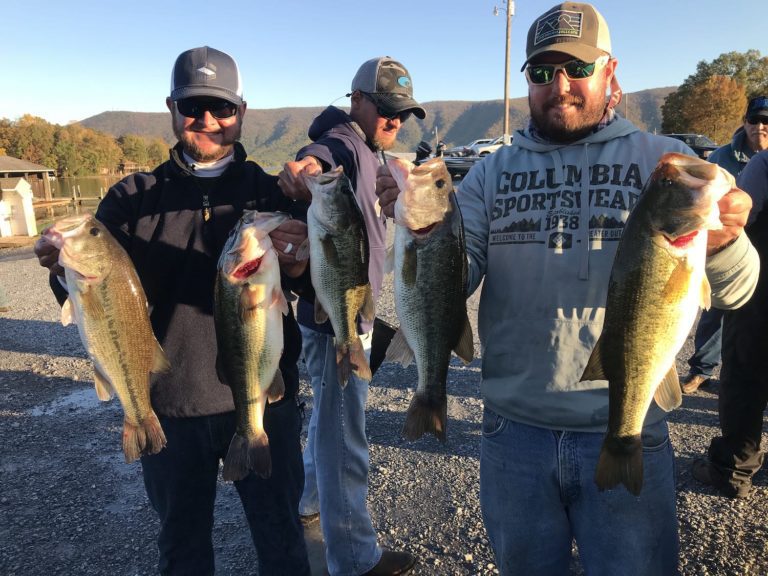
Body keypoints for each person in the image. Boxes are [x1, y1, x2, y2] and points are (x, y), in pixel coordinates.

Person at [377, 3, 758, 574]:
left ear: (610, 71)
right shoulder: (489, 173)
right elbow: (459, 276)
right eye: (541, 71)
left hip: (628, 420)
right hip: (513, 434)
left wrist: (724, 242)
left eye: (577, 68)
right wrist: (419, 230)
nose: (560, 86)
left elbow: (737, 293)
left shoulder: (667, 167)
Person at [34, 46, 311, 576]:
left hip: (263, 399)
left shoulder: (271, 193)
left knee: (283, 543)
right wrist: (60, 266)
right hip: (169, 408)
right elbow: (93, 293)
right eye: (192, 106)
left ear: (241, 112)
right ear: (171, 108)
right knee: (182, 551)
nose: (206, 119)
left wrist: (301, 263)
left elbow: (318, 290)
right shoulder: (130, 198)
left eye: (221, 107)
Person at [277, 57, 425, 576]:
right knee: (346, 436)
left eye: (402, 112)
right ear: (357, 100)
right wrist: (305, 173)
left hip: (347, 311)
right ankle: (356, 560)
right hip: (334, 322)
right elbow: (315, 161)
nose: (394, 120)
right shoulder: (341, 143)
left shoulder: (370, 149)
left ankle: (308, 501)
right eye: (385, 108)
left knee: (328, 419)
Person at [692, 146, 768, 498]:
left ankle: (733, 471)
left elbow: (737, 220)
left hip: (758, 296)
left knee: (743, 380)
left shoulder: (763, 164)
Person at [680, 95, 768, 394]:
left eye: (766, 121)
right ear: (745, 122)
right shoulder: (719, 158)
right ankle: (701, 370)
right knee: (713, 310)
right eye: (754, 119)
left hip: (762, 253)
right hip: (724, 249)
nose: (760, 126)